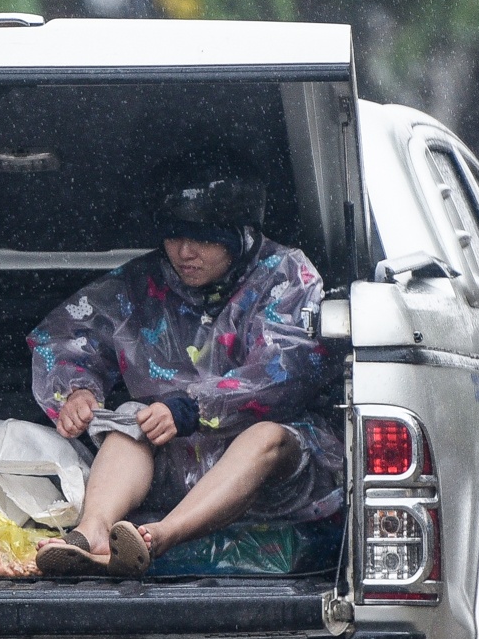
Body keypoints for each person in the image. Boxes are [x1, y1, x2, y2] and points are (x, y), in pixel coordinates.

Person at [27, 167, 343, 577]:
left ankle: (157, 537)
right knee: (128, 420)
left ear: (238, 233)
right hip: (174, 457)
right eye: (174, 236)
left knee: (266, 437)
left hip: (270, 473)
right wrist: (77, 391)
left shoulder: (285, 274)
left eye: (204, 239)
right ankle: (92, 535)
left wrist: (193, 406)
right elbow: (69, 333)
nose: (184, 253)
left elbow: (288, 368)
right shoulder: (145, 281)